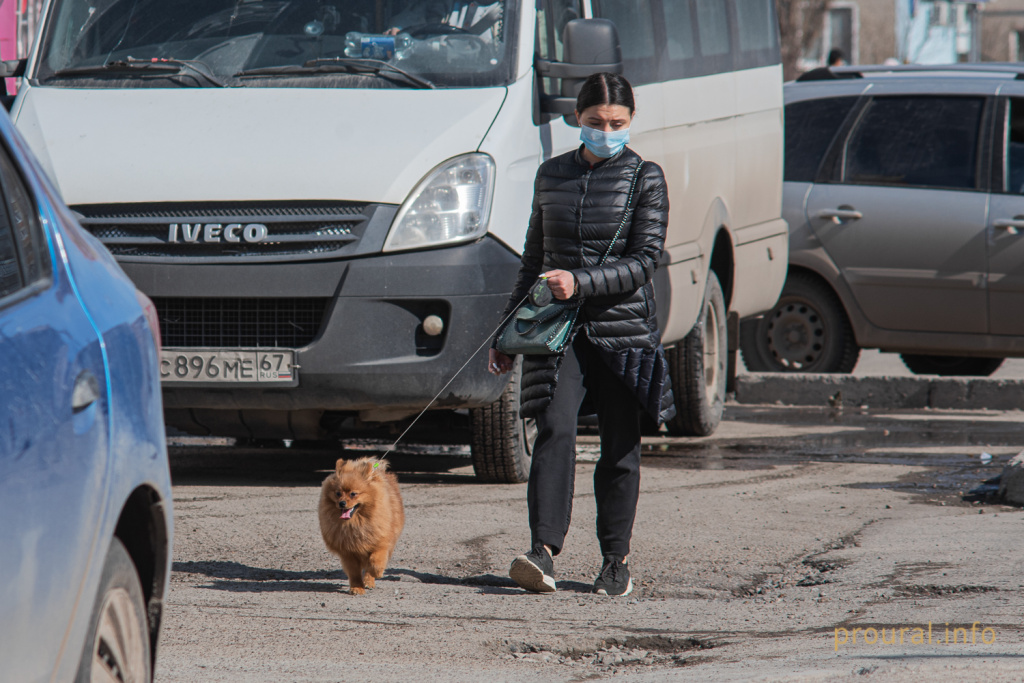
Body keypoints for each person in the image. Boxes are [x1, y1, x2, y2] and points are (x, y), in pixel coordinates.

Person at [488, 72, 675, 597]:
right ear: (577, 118)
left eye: (618, 123)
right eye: (596, 122)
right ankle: (542, 551)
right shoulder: (551, 176)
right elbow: (532, 260)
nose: (607, 131)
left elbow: (644, 260)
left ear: (631, 122)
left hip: (623, 331)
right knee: (554, 429)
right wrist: (507, 332)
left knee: (619, 445)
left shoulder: (647, 178)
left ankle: (616, 561)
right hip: (559, 330)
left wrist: (581, 281)